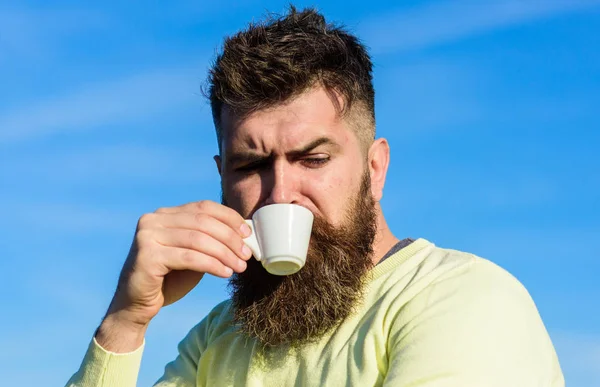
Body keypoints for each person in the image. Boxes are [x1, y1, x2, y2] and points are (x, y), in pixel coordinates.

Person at [67, 6, 564, 387]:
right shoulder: (213, 342)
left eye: (313, 159)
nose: (280, 195)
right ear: (222, 179)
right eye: (252, 165)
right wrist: (126, 323)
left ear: (374, 168)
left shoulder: (462, 299)